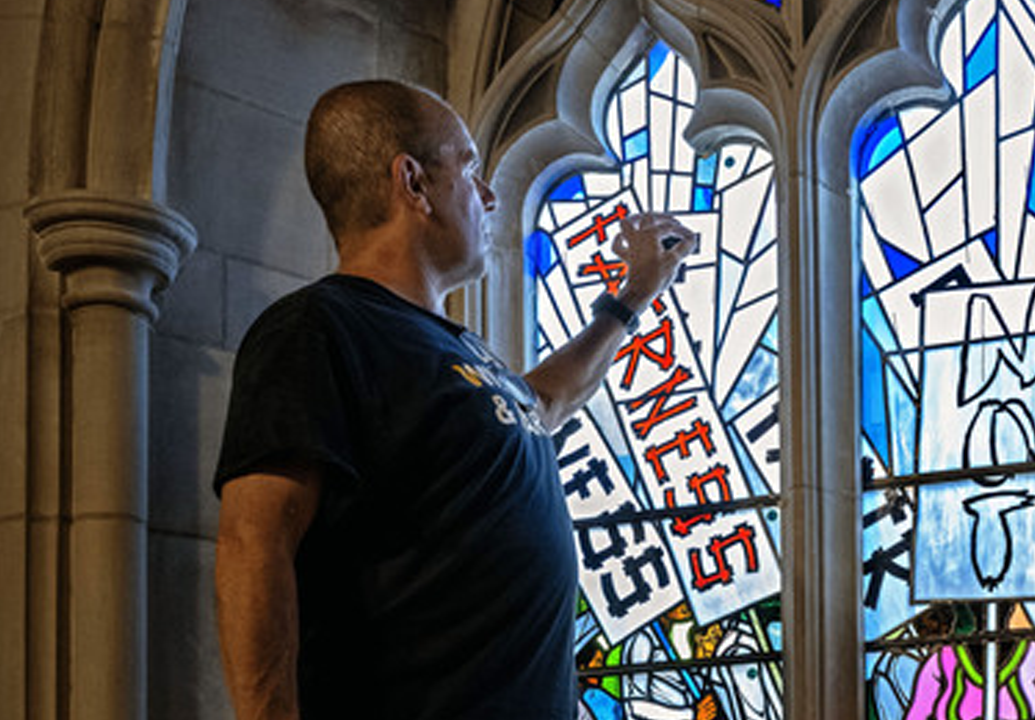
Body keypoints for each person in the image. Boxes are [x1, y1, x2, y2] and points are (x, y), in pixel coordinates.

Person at [212, 79, 697, 720]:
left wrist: (633, 298)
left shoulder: (460, 351)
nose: (490, 195)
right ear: (413, 184)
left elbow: (544, 403)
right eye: (467, 167)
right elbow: (255, 539)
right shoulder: (318, 328)